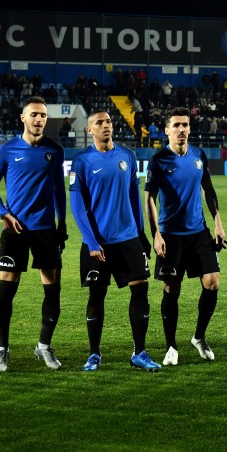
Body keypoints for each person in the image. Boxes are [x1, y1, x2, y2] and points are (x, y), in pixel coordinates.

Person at [69, 109, 160, 372]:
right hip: (98, 242)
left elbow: (134, 198)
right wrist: (91, 241)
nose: (106, 125)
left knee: (140, 289)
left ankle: (139, 353)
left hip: (128, 238)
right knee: (97, 295)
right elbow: (77, 206)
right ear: (90, 130)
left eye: (108, 121)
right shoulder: (82, 161)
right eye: (99, 122)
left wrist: (141, 234)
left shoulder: (127, 156)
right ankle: (94, 354)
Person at [0, 96, 67, 372]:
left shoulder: (55, 150)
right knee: (6, 292)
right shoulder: (6, 150)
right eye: (34, 114)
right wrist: (4, 214)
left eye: (43, 115)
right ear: (23, 118)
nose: (39, 119)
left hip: (45, 230)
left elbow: (58, 189)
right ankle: (2, 350)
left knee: (53, 291)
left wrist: (62, 222)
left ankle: (44, 346)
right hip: (15, 230)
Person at [144, 107, 226, 366]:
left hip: (199, 232)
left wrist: (218, 223)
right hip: (170, 235)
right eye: (176, 125)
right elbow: (149, 198)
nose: (181, 129)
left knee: (212, 282)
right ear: (167, 130)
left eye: (185, 125)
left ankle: (199, 337)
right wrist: (156, 234)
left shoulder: (199, 155)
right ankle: (171, 346)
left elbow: (209, 190)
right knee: (172, 288)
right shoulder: (158, 160)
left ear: (190, 129)